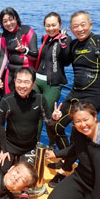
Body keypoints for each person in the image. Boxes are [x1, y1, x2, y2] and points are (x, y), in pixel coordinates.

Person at [49, 10, 100, 188]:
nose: (80, 29)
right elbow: (65, 61)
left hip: (94, 94)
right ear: (71, 28)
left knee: (79, 132)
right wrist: (62, 46)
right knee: (57, 125)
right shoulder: (74, 44)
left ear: (90, 25)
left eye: (83, 25)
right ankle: (64, 158)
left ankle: (65, 168)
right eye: (75, 26)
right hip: (76, 92)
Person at [0, 67, 62, 173]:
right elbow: (0, 125)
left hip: (29, 147)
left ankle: (17, 164)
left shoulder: (40, 99)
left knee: (25, 175)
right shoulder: (7, 100)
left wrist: (54, 119)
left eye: (26, 82)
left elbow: (49, 122)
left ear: (33, 84)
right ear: (14, 81)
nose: (22, 86)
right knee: (0, 172)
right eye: (19, 81)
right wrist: (3, 149)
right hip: (9, 146)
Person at [34, 12, 71, 149]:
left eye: (53, 25)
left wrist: (63, 46)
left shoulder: (65, 39)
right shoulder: (45, 38)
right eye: (47, 25)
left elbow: (67, 62)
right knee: (35, 113)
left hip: (53, 84)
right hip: (37, 81)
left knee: (48, 116)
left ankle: (52, 145)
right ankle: (35, 143)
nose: (50, 28)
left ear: (60, 24)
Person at [0, 7, 38, 94]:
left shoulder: (27, 31)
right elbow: (4, 56)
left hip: (26, 73)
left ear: (16, 18)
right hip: (10, 73)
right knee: (8, 99)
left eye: (11, 19)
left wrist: (24, 50)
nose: (8, 23)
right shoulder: (4, 35)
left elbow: (35, 55)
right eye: (5, 21)